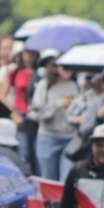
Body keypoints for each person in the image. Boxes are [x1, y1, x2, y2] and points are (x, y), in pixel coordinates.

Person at [29, 52, 80, 181]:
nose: (68, 70)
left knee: (66, 178)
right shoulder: (44, 86)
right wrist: (59, 104)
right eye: (64, 67)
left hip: (70, 138)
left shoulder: (76, 86)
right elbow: (37, 112)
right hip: (48, 137)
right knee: (48, 178)